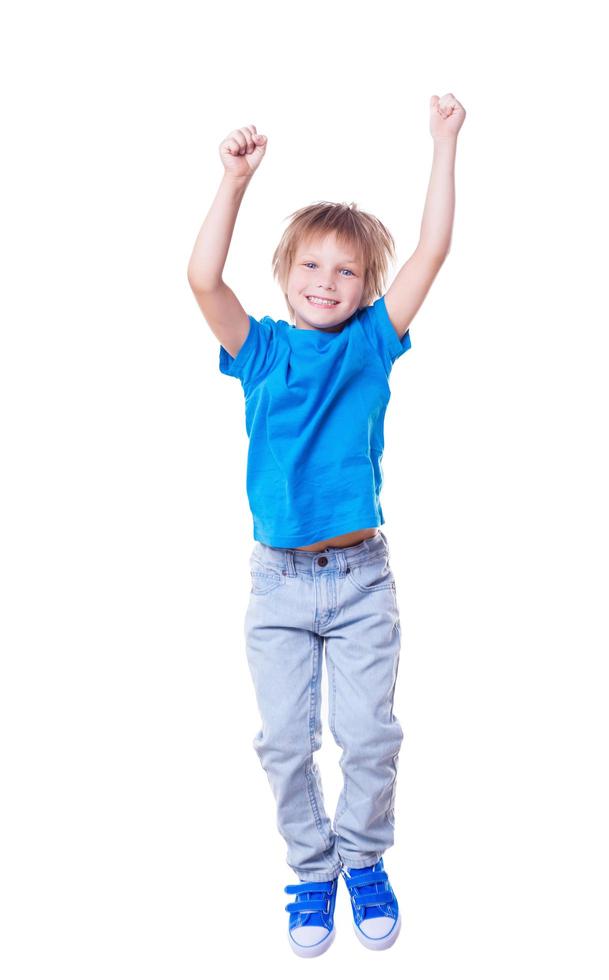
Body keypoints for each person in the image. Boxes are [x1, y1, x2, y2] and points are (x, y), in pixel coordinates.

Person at [187, 93, 466, 957]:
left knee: (371, 735)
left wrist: (442, 144)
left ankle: (364, 861)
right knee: (282, 742)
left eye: (346, 272)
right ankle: (312, 873)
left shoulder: (372, 343)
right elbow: (202, 280)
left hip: (359, 581)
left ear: (367, 288)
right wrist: (233, 182)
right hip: (276, 583)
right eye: (312, 267)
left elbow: (432, 250)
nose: (326, 283)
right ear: (286, 274)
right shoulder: (261, 349)